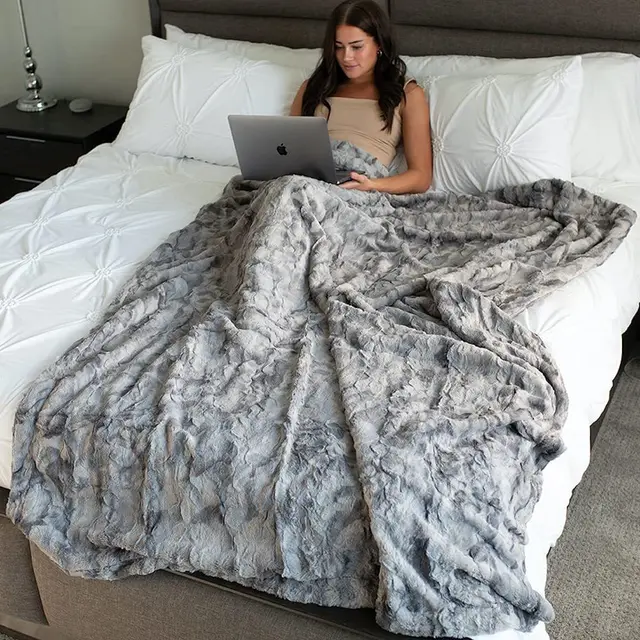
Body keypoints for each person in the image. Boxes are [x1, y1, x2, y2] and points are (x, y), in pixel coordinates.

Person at [290, 0, 432, 194]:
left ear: (379, 43)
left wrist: (372, 185)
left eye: (356, 47)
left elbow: (421, 177)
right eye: (339, 47)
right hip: (304, 182)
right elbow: (288, 151)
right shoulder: (313, 87)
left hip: (357, 190)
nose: (346, 57)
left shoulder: (407, 94)